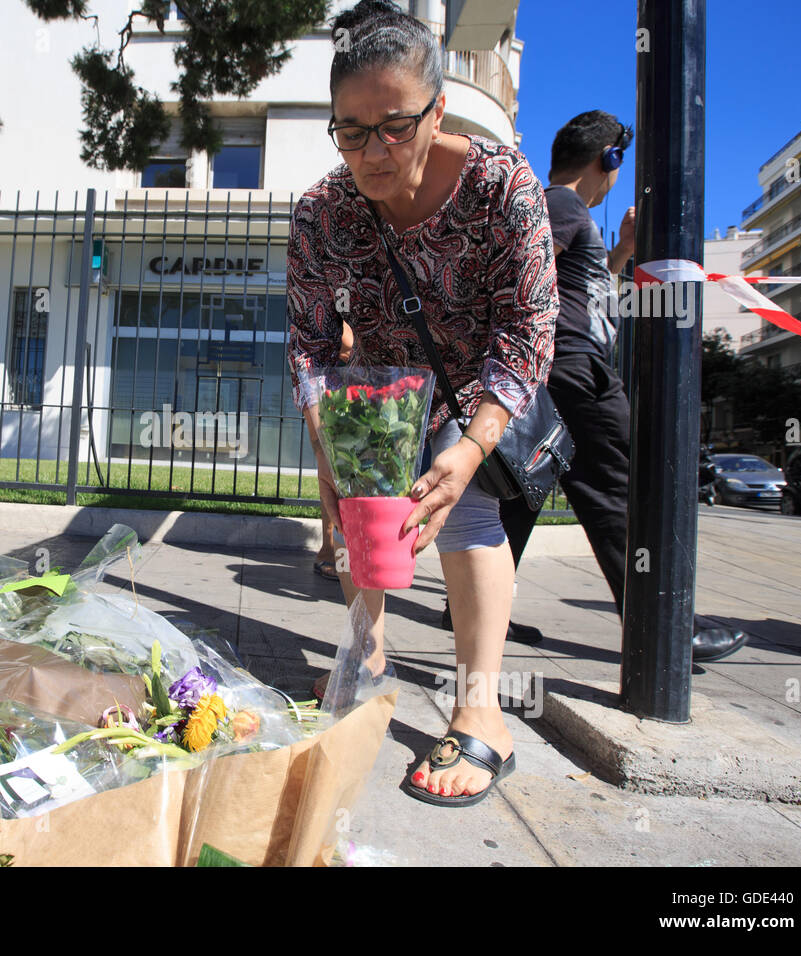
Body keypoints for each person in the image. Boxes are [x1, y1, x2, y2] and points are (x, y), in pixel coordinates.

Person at [288, 0, 558, 807]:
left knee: (467, 512)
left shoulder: (501, 185)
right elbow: (306, 340)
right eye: (350, 130)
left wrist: (473, 442)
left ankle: (483, 709)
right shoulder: (321, 211)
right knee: (360, 510)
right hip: (376, 387)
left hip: (476, 386)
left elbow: (530, 322)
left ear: (436, 108)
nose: (372, 152)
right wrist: (326, 447)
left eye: (395, 125)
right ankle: (365, 662)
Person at [493, 110, 748, 663]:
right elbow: (526, 270)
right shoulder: (561, 204)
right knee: (618, 486)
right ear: (608, 158)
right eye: (618, 163)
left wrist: (620, 254)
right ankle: (659, 621)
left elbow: (571, 288)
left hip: (556, 367)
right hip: (575, 369)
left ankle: (478, 607)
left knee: (522, 493)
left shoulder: (563, 209)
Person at [313, 321, 355, 581]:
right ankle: (332, 549)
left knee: (351, 472)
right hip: (335, 380)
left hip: (362, 377)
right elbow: (346, 341)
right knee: (332, 471)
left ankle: (342, 552)